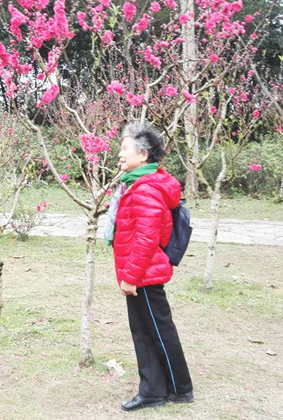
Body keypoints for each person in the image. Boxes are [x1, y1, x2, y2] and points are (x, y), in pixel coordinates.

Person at [105, 123, 193, 411]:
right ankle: (154, 390)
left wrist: (130, 277)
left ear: (143, 155)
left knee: (158, 330)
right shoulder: (137, 183)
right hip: (140, 273)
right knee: (144, 331)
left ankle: (179, 389)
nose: (120, 153)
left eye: (125, 148)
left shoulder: (146, 188)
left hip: (144, 274)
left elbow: (145, 239)